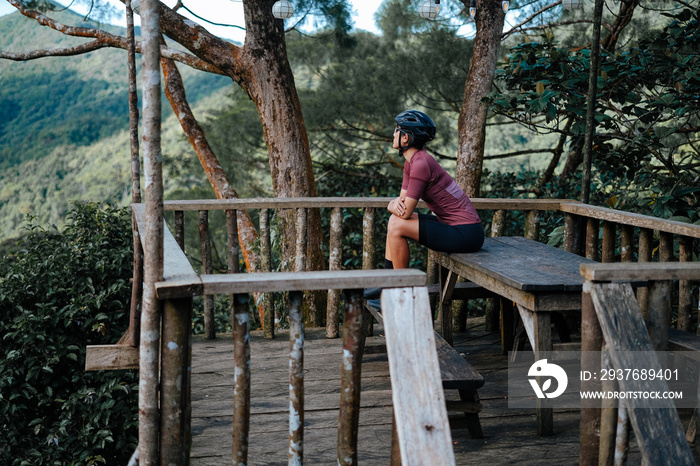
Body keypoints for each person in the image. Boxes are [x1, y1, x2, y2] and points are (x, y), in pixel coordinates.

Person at [368, 110, 483, 303]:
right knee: (393, 221)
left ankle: (399, 292)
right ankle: (388, 285)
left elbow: (404, 212)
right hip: (455, 227)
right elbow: (402, 206)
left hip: (466, 233)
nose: (393, 135)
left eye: (397, 131)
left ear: (406, 138)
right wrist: (394, 207)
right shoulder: (411, 163)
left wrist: (390, 204)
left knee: (397, 224)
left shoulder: (421, 163)